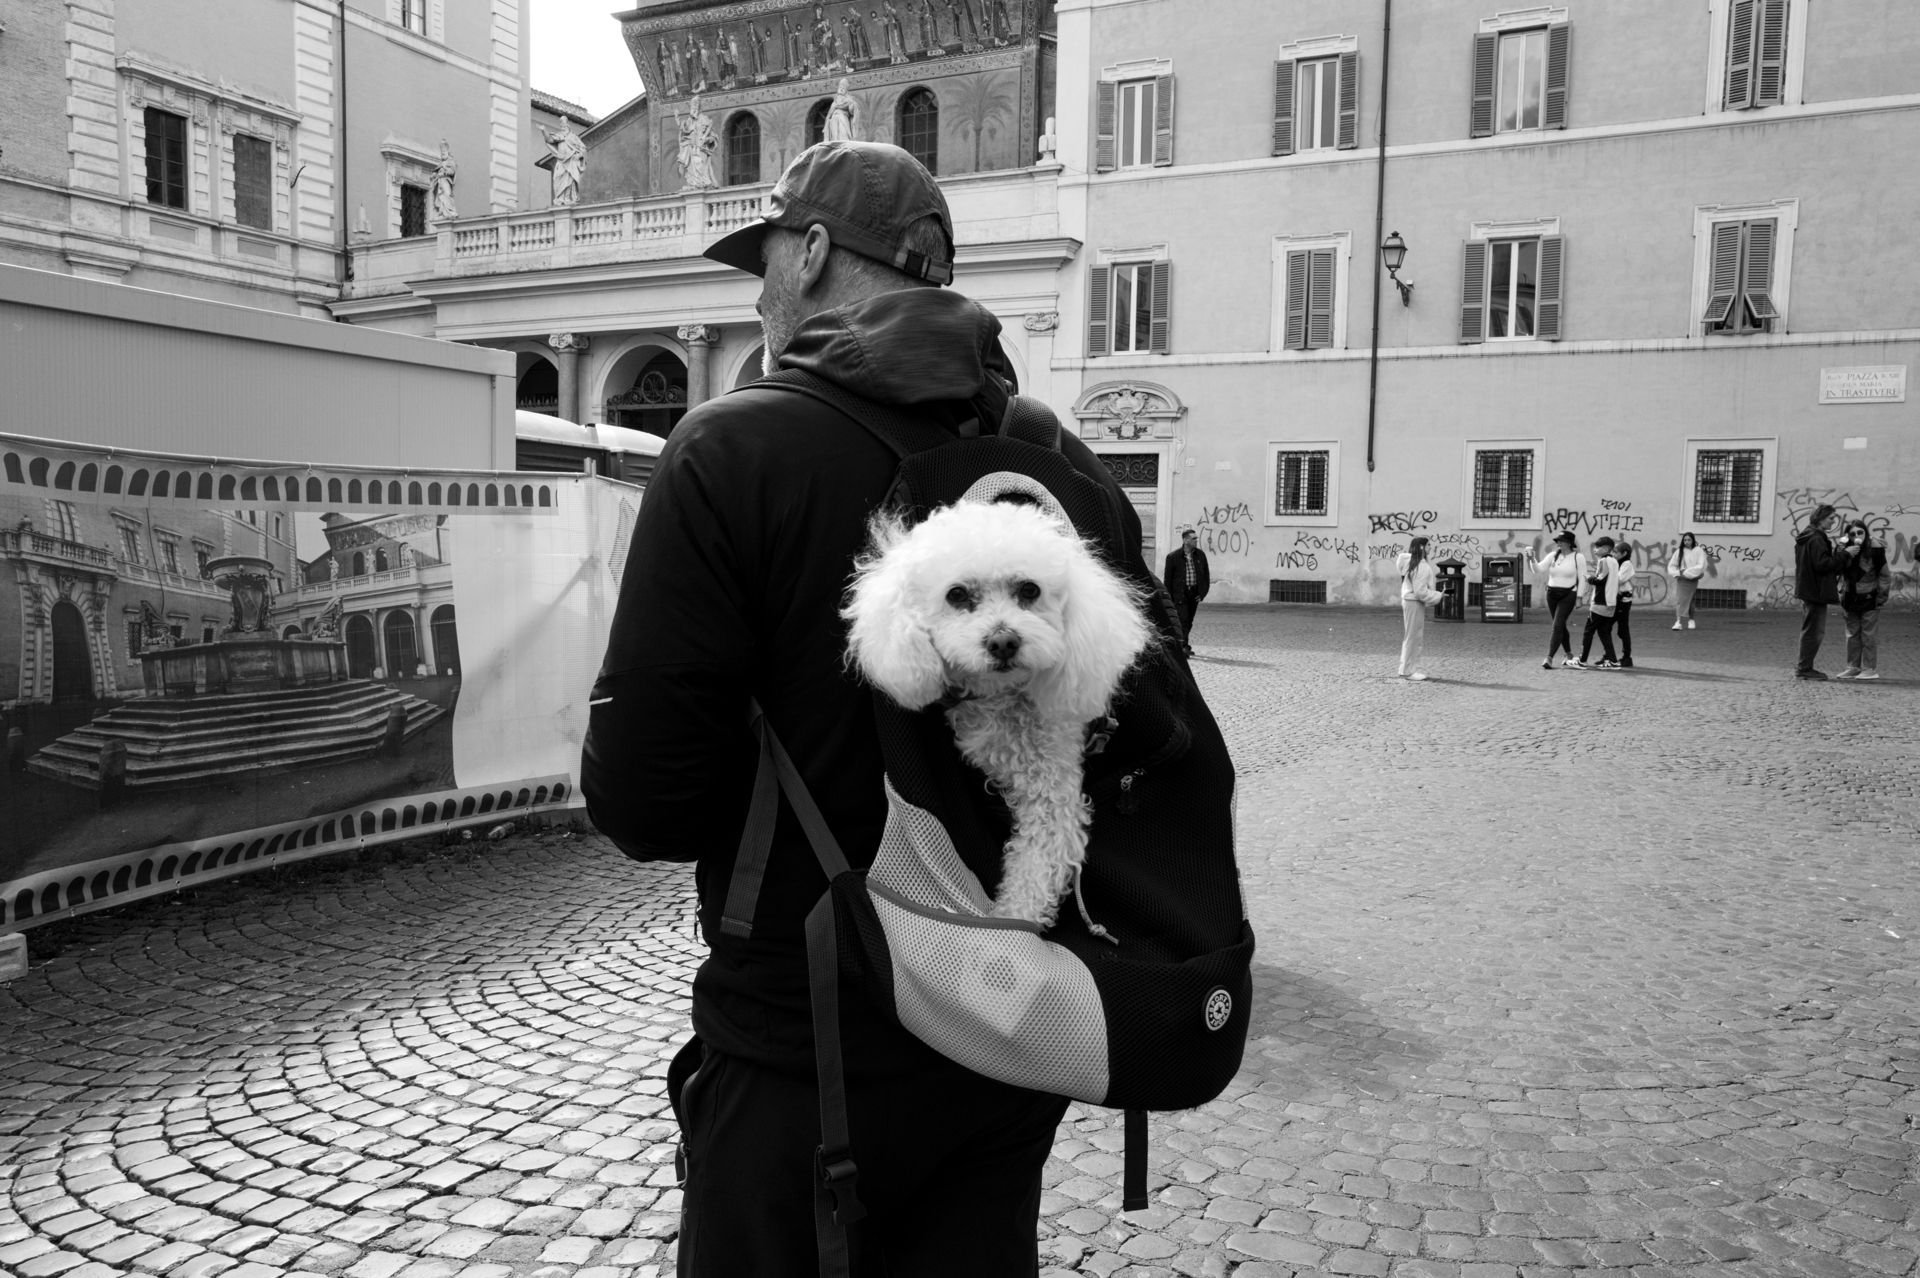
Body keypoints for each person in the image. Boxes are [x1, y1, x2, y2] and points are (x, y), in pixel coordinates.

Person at [581, 141, 1144, 1277]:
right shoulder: (1062, 474)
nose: (759, 292)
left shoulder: (730, 447)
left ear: (819, 249)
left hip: (806, 1036)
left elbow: (646, 800)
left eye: (768, 260)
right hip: (1004, 1028)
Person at [1793, 503, 1854, 680]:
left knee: (1810, 630)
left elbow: (1818, 563)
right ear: (1820, 518)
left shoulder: (1808, 535)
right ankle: (1804, 669)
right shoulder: (1817, 538)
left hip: (1809, 589)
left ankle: (1804, 667)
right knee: (1814, 632)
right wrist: (1845, 554)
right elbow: (1823, 565)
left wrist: (1838, 554)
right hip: (1815, 591)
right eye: (1830, 518)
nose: (1833, 522)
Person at [1521, 531, 1585, 669]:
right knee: (1560, 625)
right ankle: (1568, 654)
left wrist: (1580, 597)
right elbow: (1538, 570)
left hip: (1569, 594)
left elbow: (1583, 578)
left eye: (1561, 540)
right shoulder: (1553, 555)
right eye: (1558, 541)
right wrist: (1532, 559)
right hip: (1551, 594)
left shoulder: (1578, 557)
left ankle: (1549, 657)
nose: (1558, 543)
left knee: (1556, 626)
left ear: (1569, 543)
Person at [1836, 519, 1890, 680]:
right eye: (1852, 534)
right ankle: (1853, 666)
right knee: (1852, 634)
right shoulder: (1845, 549)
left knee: (1868, 635)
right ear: (1848, 536)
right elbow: (1837, 569)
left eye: (1860, 532)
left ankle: (1869, 668)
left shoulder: (1875, 550)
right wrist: (1840, 552)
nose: (1857, 536)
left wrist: (1881, 596)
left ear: (1865, 532)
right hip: (1849, 597)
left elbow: (1884, 574)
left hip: (1869, 596)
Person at [1396, 535, 1442, 681]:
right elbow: (1420, 592)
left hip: (1410, 601)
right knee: (1413, 636)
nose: (1430, 547)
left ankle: (1407, 669)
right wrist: (1438, 596)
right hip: (1414, 601)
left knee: (1411, 636)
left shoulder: (1412, 563)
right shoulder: (1420, 566)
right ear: (1421, 547)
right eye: (1428, 545)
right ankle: (1408, 671)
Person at [1574, 535, 1621, 670]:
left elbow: (1601, 580)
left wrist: (1589, 579)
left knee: (1588, 632)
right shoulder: (1614, 561)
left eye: (1597, 547)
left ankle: (1582, 660)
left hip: (1600, 603)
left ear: (1606, 549)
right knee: (1604, 632)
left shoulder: (1604, 561)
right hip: (1610, 603)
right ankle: (1612, 661)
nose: (1595, 550)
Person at [1163, 528, 1210, 656]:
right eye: (1194, 538)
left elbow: (1206, 576)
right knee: (1182, 620)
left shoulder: (1200, 555)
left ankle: (1184, 645)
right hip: (1180, 594)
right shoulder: (1173, 557)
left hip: (1194, 594)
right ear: (1185, 540)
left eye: (1196, 538)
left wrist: (1202, 594)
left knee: (1189, 620)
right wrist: (1169, 598)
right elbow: (1167, 580)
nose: (1196, 540)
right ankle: (1182, 647)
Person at [676, 96, 719, 190]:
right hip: (691, 148)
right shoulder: (689, 121)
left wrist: (708, 139)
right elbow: (684, 133)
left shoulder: (705, 119)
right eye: (692, 105)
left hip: (701, 149)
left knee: (699, 163)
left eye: (696, 105)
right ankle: (693, 184)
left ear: (700, 107)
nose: (694, 107)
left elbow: (713, 136)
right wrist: (680, 121)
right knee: (692, 166)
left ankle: (701, 184)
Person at [1668, 532, 1706, 629]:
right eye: (1685, 540)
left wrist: (1689, 572)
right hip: (1682, 579)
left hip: (1693, 578)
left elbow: (1701, 565)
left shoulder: (1698, 551)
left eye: (1689, 540)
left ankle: (1691, 620)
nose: (1687, 542)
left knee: (1691, 600)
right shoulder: (1679, 551)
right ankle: (1678, 622)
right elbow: (1672, 565)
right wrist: (1678, 573)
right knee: (1680, 600)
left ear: (1693, 540)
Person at [1612, 539, 1636, 668]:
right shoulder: (1616, 563)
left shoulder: (1626, 564)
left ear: (1624, 553)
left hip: (1623, 601)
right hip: (1615, 599)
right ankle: (1608, 655)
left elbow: (1619, 579)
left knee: (1622, 630)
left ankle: (1627, 657)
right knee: (1606, 627)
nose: (1614, 554)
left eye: (1616, 552)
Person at [825, 77, 861, 142]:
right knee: (835, 138)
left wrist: (851, 105)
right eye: (840, 86)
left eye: (843, 87)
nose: (841, 88)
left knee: (844, 135)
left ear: (846, 89)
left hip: (843, 117)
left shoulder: (849, 99)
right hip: (834, 119)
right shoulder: (835, 101)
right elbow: (829, 114)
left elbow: (852, 111)